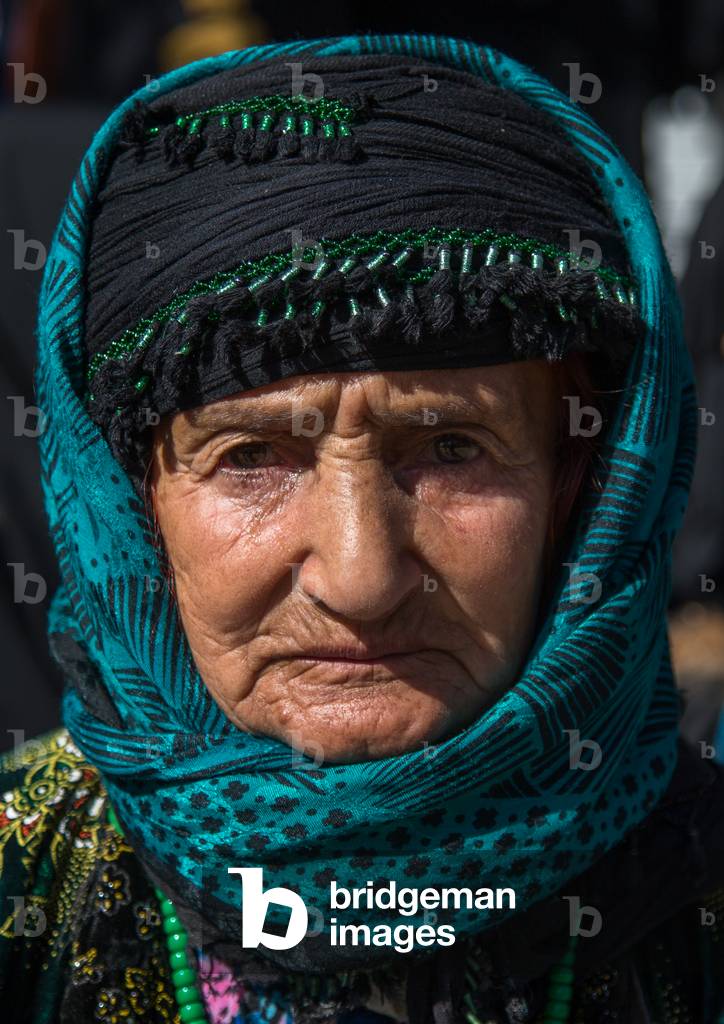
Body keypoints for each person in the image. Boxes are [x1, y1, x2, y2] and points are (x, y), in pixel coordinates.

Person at [2, 31, 724, 1024]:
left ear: (581, 482)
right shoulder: (20, 882)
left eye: (454, 449)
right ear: (129, 501)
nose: (360, 576)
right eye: (249, 457)